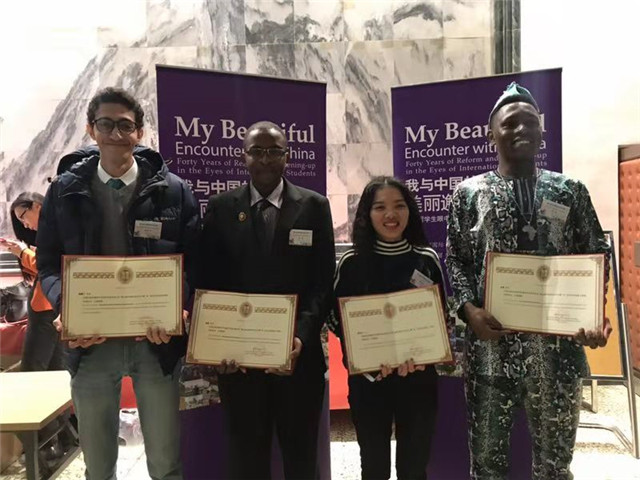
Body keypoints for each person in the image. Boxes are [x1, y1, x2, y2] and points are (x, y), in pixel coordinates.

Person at [446, 82, 611, 480]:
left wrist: (593, 316)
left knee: (554, 466)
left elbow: (596, 255)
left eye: (530, 122)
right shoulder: (468, 194)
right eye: (509, 123)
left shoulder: (570, 191)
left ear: (542, 131)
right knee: (487, 465)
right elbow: (455, 261)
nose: (521, 130)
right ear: (491, 134)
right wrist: (469, 311)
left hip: (558, 353)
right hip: (491, 353)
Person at [36, 87, 199, 480]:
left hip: (155, 342)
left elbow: (194, 262)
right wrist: (66, 309)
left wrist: (180, 307)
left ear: (139, 132)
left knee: (166, 463)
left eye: (125, 125)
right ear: (91, 129)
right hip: (91, 344)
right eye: (105, 124)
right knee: (98, 466)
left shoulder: (174, 191)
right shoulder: (63, 191)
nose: (115, 133)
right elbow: (49, 264)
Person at [198, 120, 335, 479]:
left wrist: (301, 336)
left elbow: (322, 283)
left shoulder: (314, 206)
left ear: (287, 156)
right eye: (256, 151)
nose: (265, 159)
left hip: (298, 361)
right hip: (240, 365)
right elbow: (209, 281)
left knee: (301, 460)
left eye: (274, 151)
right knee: (247, 462)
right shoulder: (221, 208)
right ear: (243, 156)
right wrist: (219, 343)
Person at [329, 176, 444, 480]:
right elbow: (334, 318)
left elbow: (442, 318)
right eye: (380, 207)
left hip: (417, 380)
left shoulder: (426, 259)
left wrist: (423, 354)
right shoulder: (351, 263)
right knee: (374, 467)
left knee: (413, 468)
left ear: (410, 211)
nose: (390, 215)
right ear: (367, 214)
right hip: (369, 382)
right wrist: (365, 356)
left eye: (399, 206)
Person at [1, 192, 65, 372]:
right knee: (57, 369)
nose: (24, 224)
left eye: (23, 216)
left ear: (37, 206)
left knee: (33, 368)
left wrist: (22, 253)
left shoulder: (56, 230)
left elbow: (48, 266)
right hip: (56, 305)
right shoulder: (58, 228)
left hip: (46, 307)